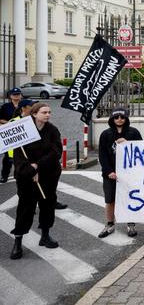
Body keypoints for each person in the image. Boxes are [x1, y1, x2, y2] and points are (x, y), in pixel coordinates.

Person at [10, 103, 63, 259]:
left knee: (47, 204)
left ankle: (45, 235)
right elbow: (19, 156)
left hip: (48, 174)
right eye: (44, 112)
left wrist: (37, 167)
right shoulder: (23, 129)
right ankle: (18, 241)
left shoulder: (52, 130)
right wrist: (30, 171)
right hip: (26, 177)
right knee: (25, 208)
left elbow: (55, 152)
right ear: (34, 114)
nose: (48, 115)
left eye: (49, 112)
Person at [97, 107, 142, 238]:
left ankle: (130, 223)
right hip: (110, 174)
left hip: (129, 173)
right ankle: (110, 223)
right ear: (112, 119)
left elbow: (141, 151)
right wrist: (109, 171)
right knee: (110, 199)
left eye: (122, 117)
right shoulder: (106, 134)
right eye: (116, 117)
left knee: (129, 197)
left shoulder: (134, 133)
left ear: (126, 118)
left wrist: (128, 144)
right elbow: (102, 155)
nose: (119, 120)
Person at [0, 87, 23, 183]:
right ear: (10, 96)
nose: (16, 96)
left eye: (18, 94)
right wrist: (10, 122)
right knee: (8, 157)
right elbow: (0, 119)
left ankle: (18, 174)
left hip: (23, 133)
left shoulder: (25, 105)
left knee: (22, 156)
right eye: (14, 95)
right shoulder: (6, 106)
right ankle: (4, 175)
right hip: (11, 134)